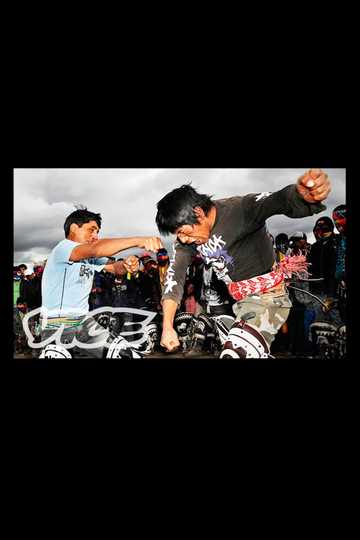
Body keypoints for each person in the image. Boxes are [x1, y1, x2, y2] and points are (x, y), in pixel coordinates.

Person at [155, 169, 331, 358]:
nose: (184, 239)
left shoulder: (239, 209)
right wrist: (167, 327)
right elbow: (175, 278)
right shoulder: (186, 242)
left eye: (183, 231)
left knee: (236, 353)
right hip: (235, 301)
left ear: (198, 212)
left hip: (267, 296)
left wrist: (302, 197)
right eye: (178, 235)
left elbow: (277, 201)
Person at [38, 207, 162, 358]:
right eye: (92, 230)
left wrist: (128, 264)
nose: (95, 235)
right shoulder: (64, 247)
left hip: (84, 323)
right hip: (57, 325)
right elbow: (97, 249)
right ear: (74, 228)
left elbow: (115, 268)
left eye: (97, 232)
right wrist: (138, 241)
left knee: (126, 355)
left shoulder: (89, 257)